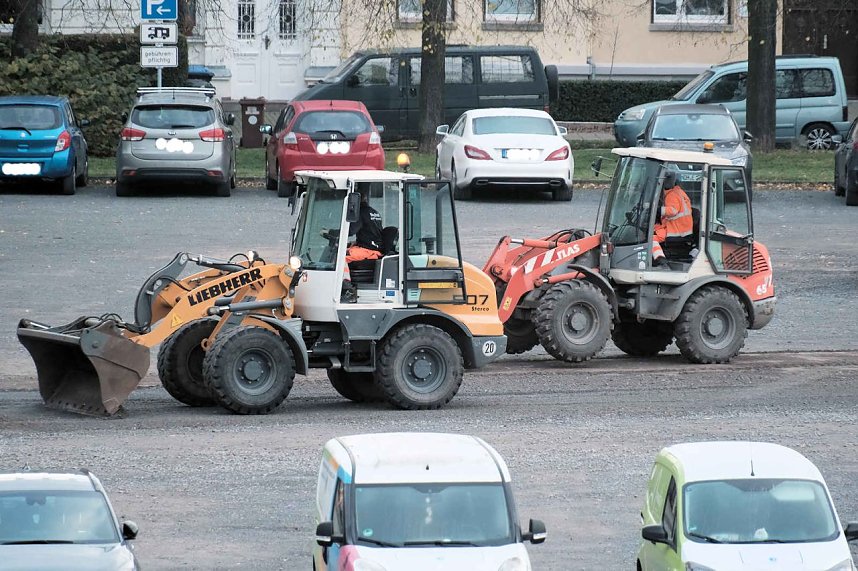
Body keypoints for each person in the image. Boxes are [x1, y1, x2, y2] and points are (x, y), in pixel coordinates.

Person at [341, 192, 384, 301]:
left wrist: (334, 232)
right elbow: (370, 233)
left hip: (369, 250)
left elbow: (351, 231)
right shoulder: (374, 212)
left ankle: (347, 288)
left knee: (341, 257)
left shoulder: (360, 213)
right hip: (371, 247)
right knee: (345, 251)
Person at [651, 170, 693, 267]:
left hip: (676, 230)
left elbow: (673, 211)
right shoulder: (679, 192)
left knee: (650, 239)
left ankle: (660, 259)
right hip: (682, 228)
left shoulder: (671, 195)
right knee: (655, 228)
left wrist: (657, 210)